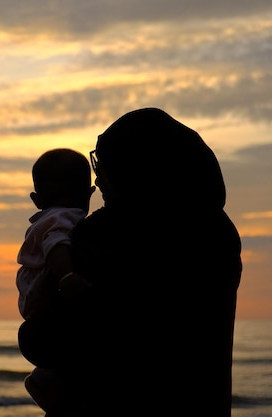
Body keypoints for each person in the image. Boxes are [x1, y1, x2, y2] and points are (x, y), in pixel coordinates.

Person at [17, 108, 242, 417]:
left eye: (103, 166)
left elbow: (45, 342)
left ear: (131, 168)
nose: (98, 180)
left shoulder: (105, 235)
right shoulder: (218, 232)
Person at [16, 148, 95, 415]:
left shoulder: (47, 217)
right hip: (44, 289)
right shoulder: (68, 216)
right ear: (89, 193)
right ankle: (47, 382)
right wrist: (68, 276)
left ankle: (42, 379)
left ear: (36, 199)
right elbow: (56, 244)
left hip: (31, 296)